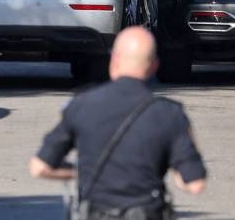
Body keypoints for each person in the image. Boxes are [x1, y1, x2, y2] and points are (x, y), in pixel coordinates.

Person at [29, 27, 206, 220]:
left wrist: (81, 172)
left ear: (114, 59)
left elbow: (40, 167)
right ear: (154, 66)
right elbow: (194, 183)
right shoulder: (170, 113)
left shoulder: (82, 104)